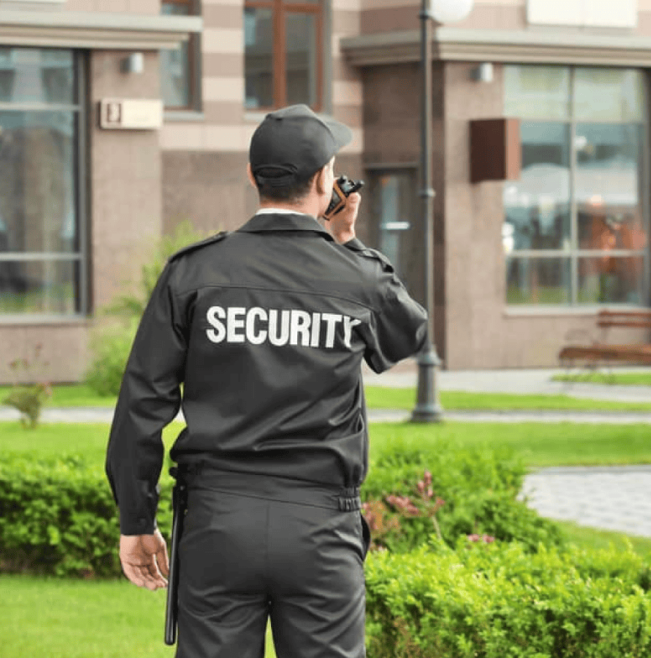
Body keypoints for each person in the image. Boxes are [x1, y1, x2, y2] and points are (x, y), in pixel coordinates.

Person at [105, 104, 428, 658]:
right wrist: (348, 244)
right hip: (320, 527)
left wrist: (136, 520)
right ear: (327, 181)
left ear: (252, 176)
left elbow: (142, 404)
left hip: (217, 524)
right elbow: (407, 337)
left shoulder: (194, 271)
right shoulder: (355, 277)